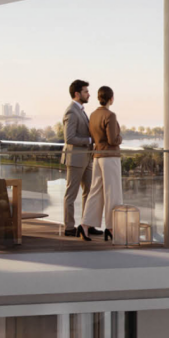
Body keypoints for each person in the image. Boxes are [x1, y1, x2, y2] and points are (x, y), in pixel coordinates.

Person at [81, 86, 123, 241]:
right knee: (112, 193)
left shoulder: (93, 115)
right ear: (111, 99)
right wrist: (120, 138)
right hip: (110, 157)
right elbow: (113, 139)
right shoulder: (110, 115)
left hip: (97, 156)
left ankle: (85, 225)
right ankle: (111, 228)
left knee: (95, 191)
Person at [61, 79, 99, 238]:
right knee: (71, 193)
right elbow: (69, 138)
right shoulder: (71, 111)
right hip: (76, 158)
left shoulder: (81, 110)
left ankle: (86, 225)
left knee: (90, 192)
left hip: (86, 158)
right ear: (77, 94)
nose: (89, 94)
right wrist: (90, 141)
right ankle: (69, 227)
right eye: (85, 91)